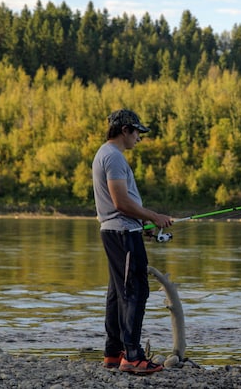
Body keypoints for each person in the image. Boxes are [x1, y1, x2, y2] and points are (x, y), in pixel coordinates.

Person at [92, 109, 173, 374]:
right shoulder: (113, 157)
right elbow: (121, 202)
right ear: (125, 130)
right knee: (135, 291)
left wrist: (144, 225)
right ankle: (133, 356)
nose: (139, 137)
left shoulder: (106, 154)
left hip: (121, 231)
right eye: (137, 132)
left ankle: (113, 353)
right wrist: (155, 216)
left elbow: (121, 206)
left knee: (117, 293)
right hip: (123, 234)